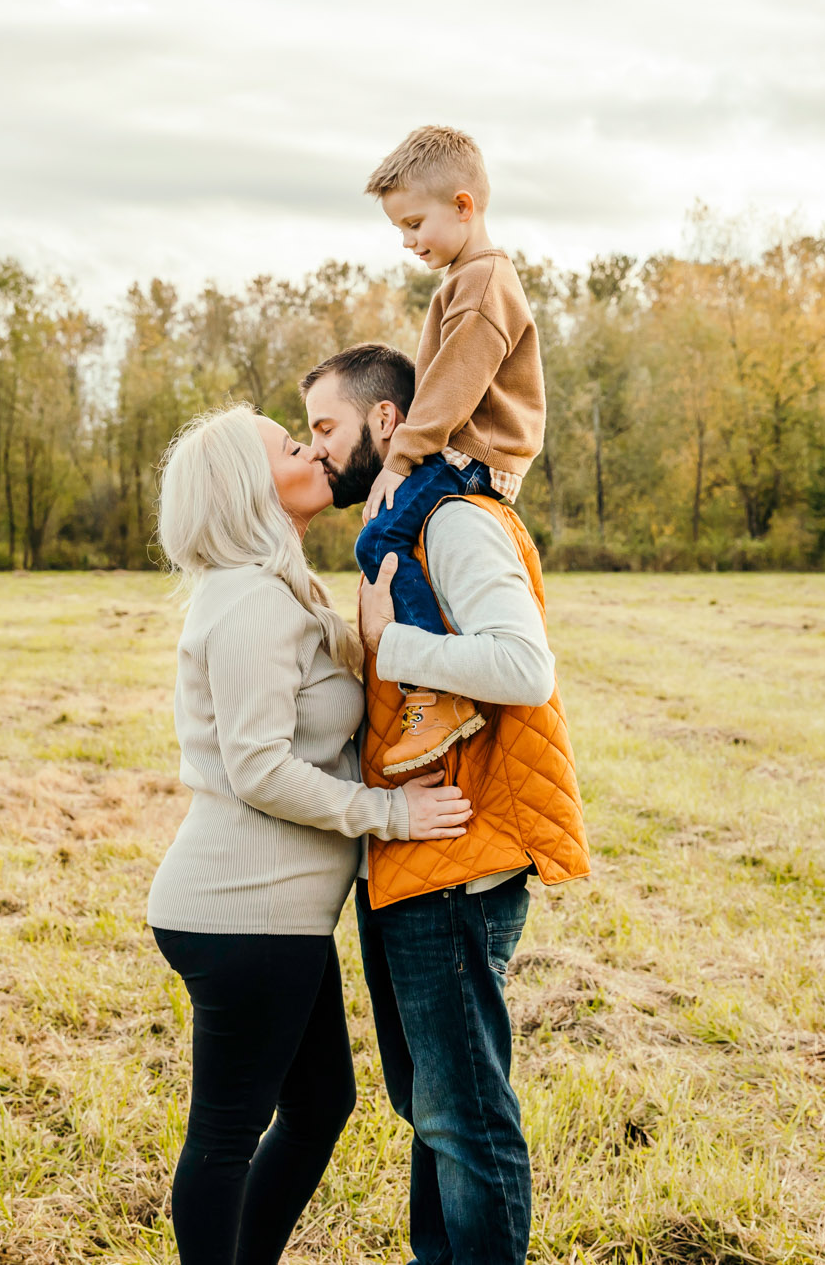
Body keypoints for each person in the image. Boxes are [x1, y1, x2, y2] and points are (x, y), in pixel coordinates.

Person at [146, 405, 472, 1265]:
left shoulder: (279, 584)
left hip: (274, 916)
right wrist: (391, 814)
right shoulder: (251, 600)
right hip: (240, 915)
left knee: (322, 1102)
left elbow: (322, 727)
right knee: (223, 1135)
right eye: (291, 447)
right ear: (251, 487)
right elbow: (258, 767)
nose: (313, 450)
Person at [303, 345, 591, 1265]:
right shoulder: (396, 528)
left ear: (386, 423)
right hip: (412, 858)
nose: (317, 453)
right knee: (429, 1109)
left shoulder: (457, 522)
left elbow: (524, 664)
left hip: (459, 863)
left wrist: (391, 646)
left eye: (325, 428)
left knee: (465, 1118)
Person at [355, 125, 546, 777]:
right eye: (400, 230)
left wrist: (399, 458)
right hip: (462, 453)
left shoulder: (483, 283)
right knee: (387, 541)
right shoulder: (467, 280)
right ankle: (436, 682)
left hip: (468, 456)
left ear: (463, 205)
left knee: (376, 541)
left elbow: (455, 382)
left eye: (415, 223)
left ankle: (436, 691)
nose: (409, 242)